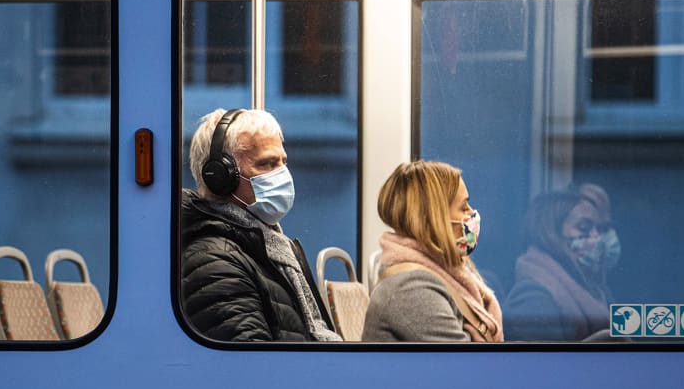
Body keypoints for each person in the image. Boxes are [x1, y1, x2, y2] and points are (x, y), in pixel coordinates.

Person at [181, 107, 341, 342]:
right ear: (220, 177)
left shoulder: (268, 247)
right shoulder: (214, 262)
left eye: (283, 162)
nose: (282, 174)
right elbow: (252, 367)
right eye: (267, 164)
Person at [362, 160, 503, 342]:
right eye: (463, 207)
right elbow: (468, 366)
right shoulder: (410, 289)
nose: (472, 214)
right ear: (435, 218)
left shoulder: (442, 275)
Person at [502, 183, 619, 342]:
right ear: (551, 233)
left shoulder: (596, 290)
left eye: (598, 229)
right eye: (584, 227)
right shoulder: (534, 298)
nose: (596, 237)